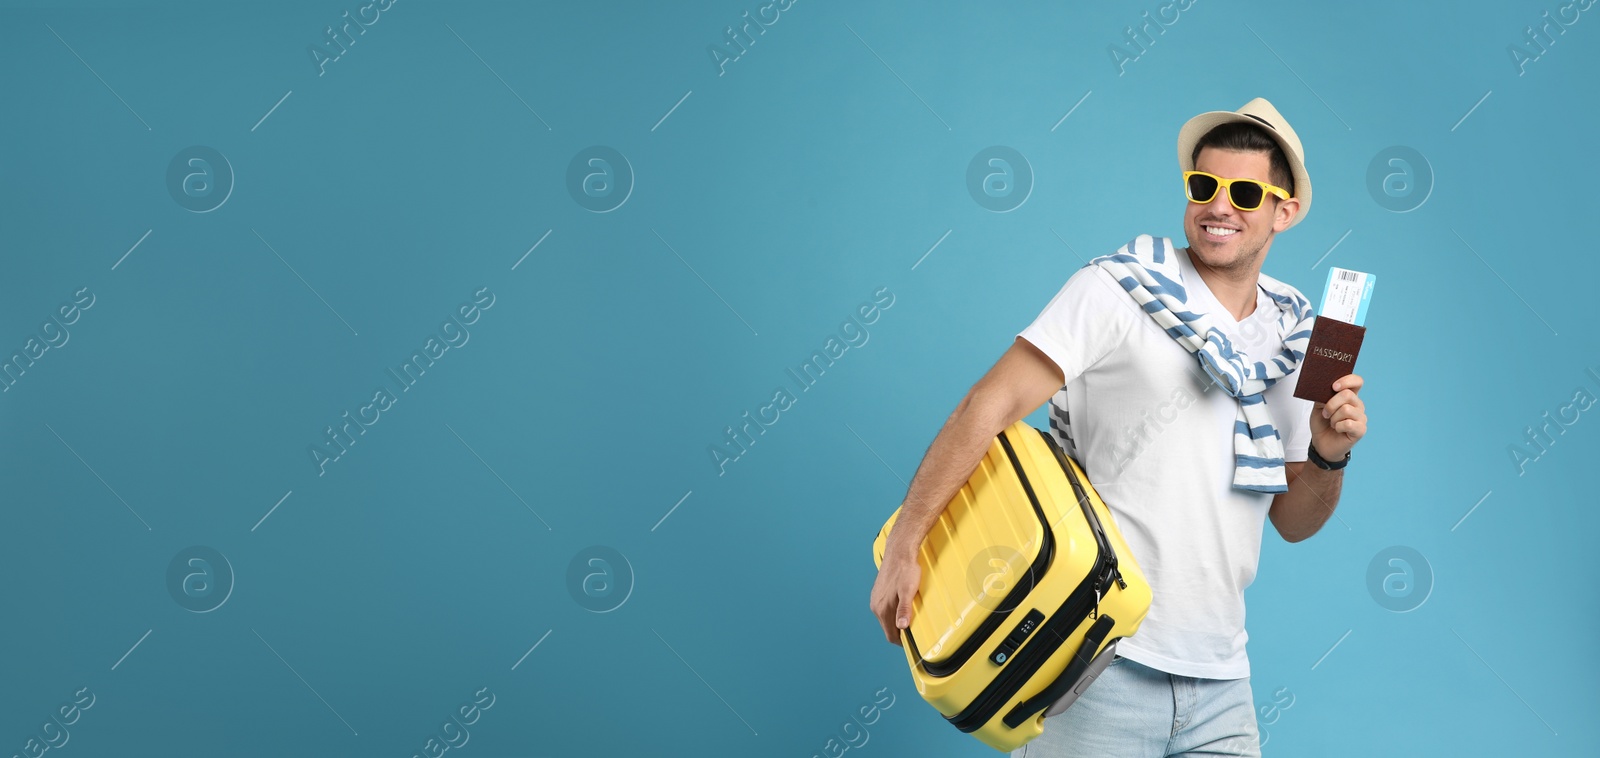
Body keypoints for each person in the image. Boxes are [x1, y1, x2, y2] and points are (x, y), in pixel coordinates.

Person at [867, 97, 1368, 757]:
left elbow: (1293, 521)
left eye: (1245, 192)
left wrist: (1329, 457)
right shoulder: (1119, 289)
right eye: (1204, 186)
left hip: (1222, 682)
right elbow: (985, 407)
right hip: (1092, 663)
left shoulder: (1301, 332)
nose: (1219, 206)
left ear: (1285, 210)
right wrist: (907, 543)